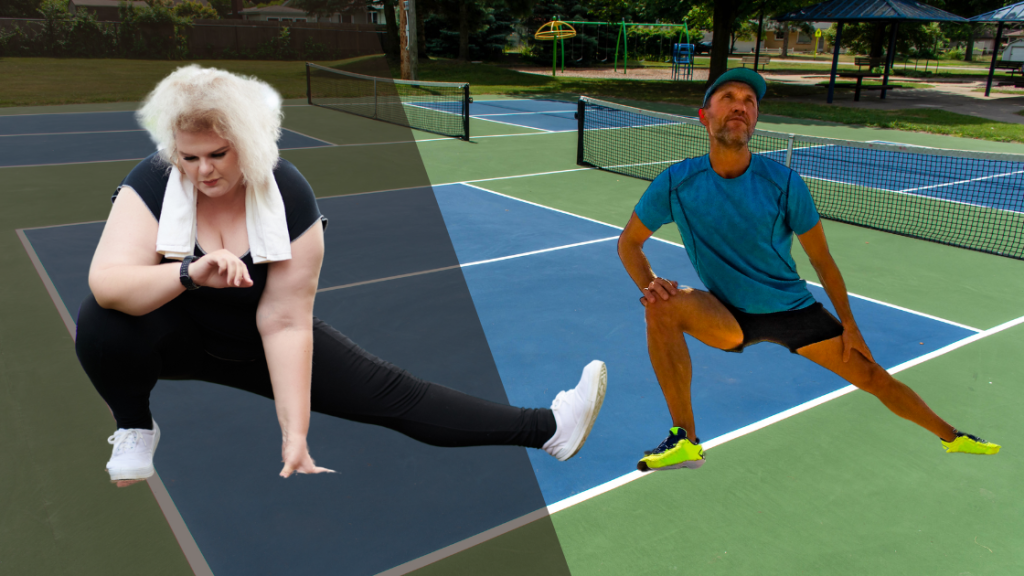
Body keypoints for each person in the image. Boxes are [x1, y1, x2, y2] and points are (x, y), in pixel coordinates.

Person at [76, 65, 606, 485]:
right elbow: (109, 281)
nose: (203, 171)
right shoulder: (153, 179)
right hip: (173, 338)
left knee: (399, 397)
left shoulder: (287, 194)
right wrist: (188, 273)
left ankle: (550, 429)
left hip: (258, 338)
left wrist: (295, 433)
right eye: (189, 158)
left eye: (218, 154)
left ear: (250, 142)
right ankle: (134, 426)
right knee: (100, 319)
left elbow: (284, 321)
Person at [616, 68, 999, 472]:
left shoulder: (784, 183)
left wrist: (849, 324)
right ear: (703, 115)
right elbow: (629, 242)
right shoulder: (677, 181)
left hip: (793, 311)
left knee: (875, 379)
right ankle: (686, 440)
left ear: (756, 119)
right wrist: (650, 281)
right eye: (728, 97)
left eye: (749, 101)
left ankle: (953, 437)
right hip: (728, 315)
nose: (740, 106)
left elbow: (822, 261)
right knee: (660, 305)